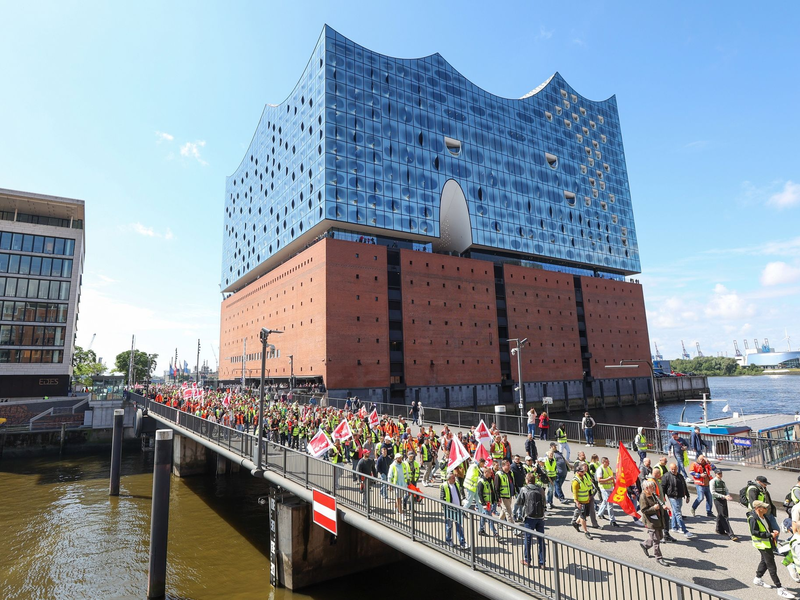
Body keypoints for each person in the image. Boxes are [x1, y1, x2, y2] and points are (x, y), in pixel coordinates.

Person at [749, 500, 795, 598]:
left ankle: (758, 578)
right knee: (771, 566)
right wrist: (770, 534)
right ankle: (779, 588)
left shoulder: (763, 516)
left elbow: (766, 527)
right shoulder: (753, 518)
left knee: (765, 561)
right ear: (758, 508)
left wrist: (771, 531)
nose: (766, 509)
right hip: (762, 545)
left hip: (767, 543)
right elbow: (754, 532)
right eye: (764, 507)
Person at [515, 472, 546, 568]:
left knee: (528, 539)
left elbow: (519, 502)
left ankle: (527, 560)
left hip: (529, 517)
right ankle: (542, 562)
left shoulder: (524, 489)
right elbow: (544, 502)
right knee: (541, 540)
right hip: (540, 517)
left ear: (527, 480)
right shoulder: (540, 489)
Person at [662, 461, 695, 538]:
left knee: (675, 512)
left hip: (680, 497)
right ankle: (684, 530)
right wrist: (663, 497)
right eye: (672, 469)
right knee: (678, 513)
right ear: (670, 469)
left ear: (677, 468)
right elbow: (663, 487)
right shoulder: (666, 476)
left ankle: (674, 527)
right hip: (672, 497)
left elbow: (684, 486)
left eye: (675, 469)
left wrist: (687, 495)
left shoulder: (680, 476)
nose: (673, 470)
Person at [639, 479, 669, 567]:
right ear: (647, 488)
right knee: (656, 540)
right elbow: (644, 510)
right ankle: (659, 558)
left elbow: (659, 501)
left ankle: (645, 545)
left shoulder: (653, 493)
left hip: (658, 520)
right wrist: (653, 508)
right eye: (652, 487)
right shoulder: (643, 496)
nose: (654, 488)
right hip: (651, 521)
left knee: (659, 537)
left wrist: (663, 506)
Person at [440, 471, 468, 549]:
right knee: (449, 526)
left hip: (457, 509)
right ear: (448, 479)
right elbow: (442, 498)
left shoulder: (456, 484)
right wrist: (444, 508)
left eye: (454, 478)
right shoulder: (444, 486)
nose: (454, 479)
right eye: (452, 478)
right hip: (449, 510)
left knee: (459, 527)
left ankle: (463, 542)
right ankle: (448, 540)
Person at [711, 469, 738, 541]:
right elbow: (713, 492)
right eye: (718, 474)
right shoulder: (713, 481)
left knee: (721, 514)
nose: (720, 475)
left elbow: (726, 490)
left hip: (724, 499)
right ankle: (731, 534)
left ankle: (719, 529)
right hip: (718, 499)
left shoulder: (722, 482)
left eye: (720, 473)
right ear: (715, 474)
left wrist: (728, 495)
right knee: (724, 516)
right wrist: (723, 496)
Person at [570, 463, 595, 539]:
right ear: (577, 472)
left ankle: (576, 523)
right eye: (582, 472)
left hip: (586, 500)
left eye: (583, 471)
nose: (583, 473)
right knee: (583, 517)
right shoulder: (576, 481)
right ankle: (586, 532)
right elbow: (575, 493)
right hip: (580, 502)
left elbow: (588, 486)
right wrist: (577, 502)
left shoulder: (584, 477)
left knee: (586, 515)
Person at [477, 467, 502, 541]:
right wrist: (484, 504)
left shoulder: (490, 480)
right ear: (485, 473)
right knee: (490, 518)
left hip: (489, 502)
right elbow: (480, 494)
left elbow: (493, 491)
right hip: (486, 503)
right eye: (489, 472)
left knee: (484, 516)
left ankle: (481, 530)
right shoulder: (481, 482)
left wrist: (497, 500)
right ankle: (495, 533)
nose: (491, 473)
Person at [595, 456, 620, 527]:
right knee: (610, 504)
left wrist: (615, 485)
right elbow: (599, 480)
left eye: (608, 461)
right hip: (604, 488)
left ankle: (599, 513)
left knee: (605, 501)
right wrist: (608, 479)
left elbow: (612, 478)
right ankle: (612, 520)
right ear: (603, 462)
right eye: (607, 462)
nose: (609, 463)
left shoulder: (609, 468)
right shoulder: (600, 469)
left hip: (610, 487)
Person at [495, 460, 517, 529]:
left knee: (504, 511)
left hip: (509, 495)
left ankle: (499, 522)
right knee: (508, 512)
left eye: (509, 465)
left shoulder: (510, 473)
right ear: (503, 466)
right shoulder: (499, 474)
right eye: (508, 465)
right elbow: (496, 487)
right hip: (503, 497)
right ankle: (514, 529)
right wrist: (498, 498)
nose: (509, 466)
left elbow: (513, 483)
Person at [387, 453, 408, 520]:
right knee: (399, 499)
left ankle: (395, 508)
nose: (400, 459)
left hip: (403, 484)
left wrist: (408, 481)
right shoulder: (392, 466)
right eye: (399, 458)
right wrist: (389, 485)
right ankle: (401, 514)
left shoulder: (403, 464)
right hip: (397, 485)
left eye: (401, 458)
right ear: (395, 459)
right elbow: (389, 476)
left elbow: (406, 473)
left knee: (400, 498)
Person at [510, 455, 527, 522]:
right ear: (514, 459)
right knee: (518, 501)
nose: (517, 460)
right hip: (516, 486)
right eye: (516, 459)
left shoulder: (521, 466)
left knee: (522, 502)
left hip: (522, 485)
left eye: (518, 459)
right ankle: (514, 513)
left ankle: (520, 515)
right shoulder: (512, 467)